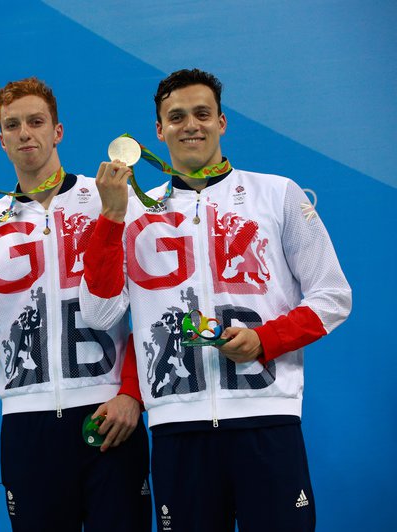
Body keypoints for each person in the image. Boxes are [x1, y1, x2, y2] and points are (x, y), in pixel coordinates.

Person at [80, 68, 352, 531]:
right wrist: (109, 216)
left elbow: (333, 295)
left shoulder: (276, 193)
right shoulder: (131, 213)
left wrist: (266, 339)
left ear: (222, 122)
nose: (192, 125)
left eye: (203, 114)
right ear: (158, 130)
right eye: (177, 116)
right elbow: (101, 312)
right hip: (176, 427)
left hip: (266, 416)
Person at [0, 77, 151, 531]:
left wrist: (132, 393)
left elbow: (152, 308)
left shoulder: (109, 198)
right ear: (1, 139)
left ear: (58, 131)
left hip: (107, 413)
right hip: (27, 421)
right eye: (12, 125)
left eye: (36, 122)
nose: (24, 133)